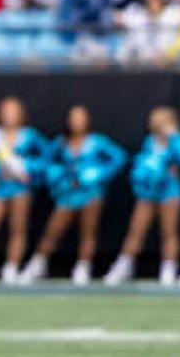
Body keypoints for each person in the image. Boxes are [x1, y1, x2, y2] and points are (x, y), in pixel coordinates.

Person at [20, 105, 125, 285]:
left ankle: (83, 267)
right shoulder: (61, 143)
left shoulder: (97, 141)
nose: (78, 122)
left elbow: (119, 158)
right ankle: (37, 265)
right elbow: (46, 162)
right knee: (52, 231)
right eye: (74, 118)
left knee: (88, 232)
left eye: (81, 118)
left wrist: (97, 174)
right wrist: (57, 174)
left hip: (91, 193)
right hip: (68, 194)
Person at [106, 106, 180, 286]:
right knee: (136, 230)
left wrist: (173, 137)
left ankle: (169, 270)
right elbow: (144, 163)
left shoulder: (178, 139)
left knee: (169, 232)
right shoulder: (149, 141)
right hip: (147, 192)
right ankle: (124, 266)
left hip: (170, 192)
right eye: (153, 119)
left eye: (159, 119)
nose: (154, 123)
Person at [0, 96, 48, 284]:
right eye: (6, 111)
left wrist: (27, 167)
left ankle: (11, 267)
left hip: (21, 188)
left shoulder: (30, 135)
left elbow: (47, 158)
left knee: (18, 228)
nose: (10, 116)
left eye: (14, 112)